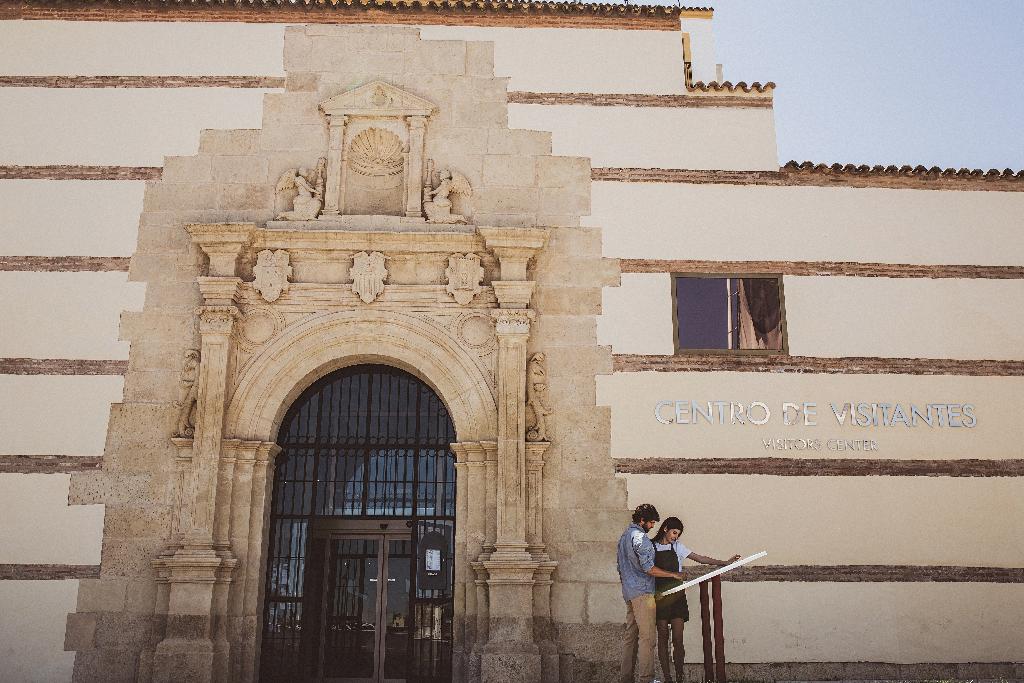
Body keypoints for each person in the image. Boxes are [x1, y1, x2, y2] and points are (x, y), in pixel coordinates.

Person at [651, 517, 740, 683]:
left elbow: (701, 559)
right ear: (665, 529)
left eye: (678, 534)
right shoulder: (651, 546)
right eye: (674, 532)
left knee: (678, 639)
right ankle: (667, 678)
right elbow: (648, 570)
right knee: (663, 639)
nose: (675, 537)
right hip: (660, 596)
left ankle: (679, 677)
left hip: (677, 597)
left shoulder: (677, 547)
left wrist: (724, 563)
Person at [618, 504, 684, 683]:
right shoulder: (642, 539)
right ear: (642, 521)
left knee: (630, 638)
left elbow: (620, 566)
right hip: (643, 593)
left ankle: (626, 679)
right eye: (652, 522)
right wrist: (673, 574)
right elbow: (649, 569)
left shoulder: (624, 536)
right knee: (648, 639)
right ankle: (646, 679)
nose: (653, 526)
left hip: (629, 593)